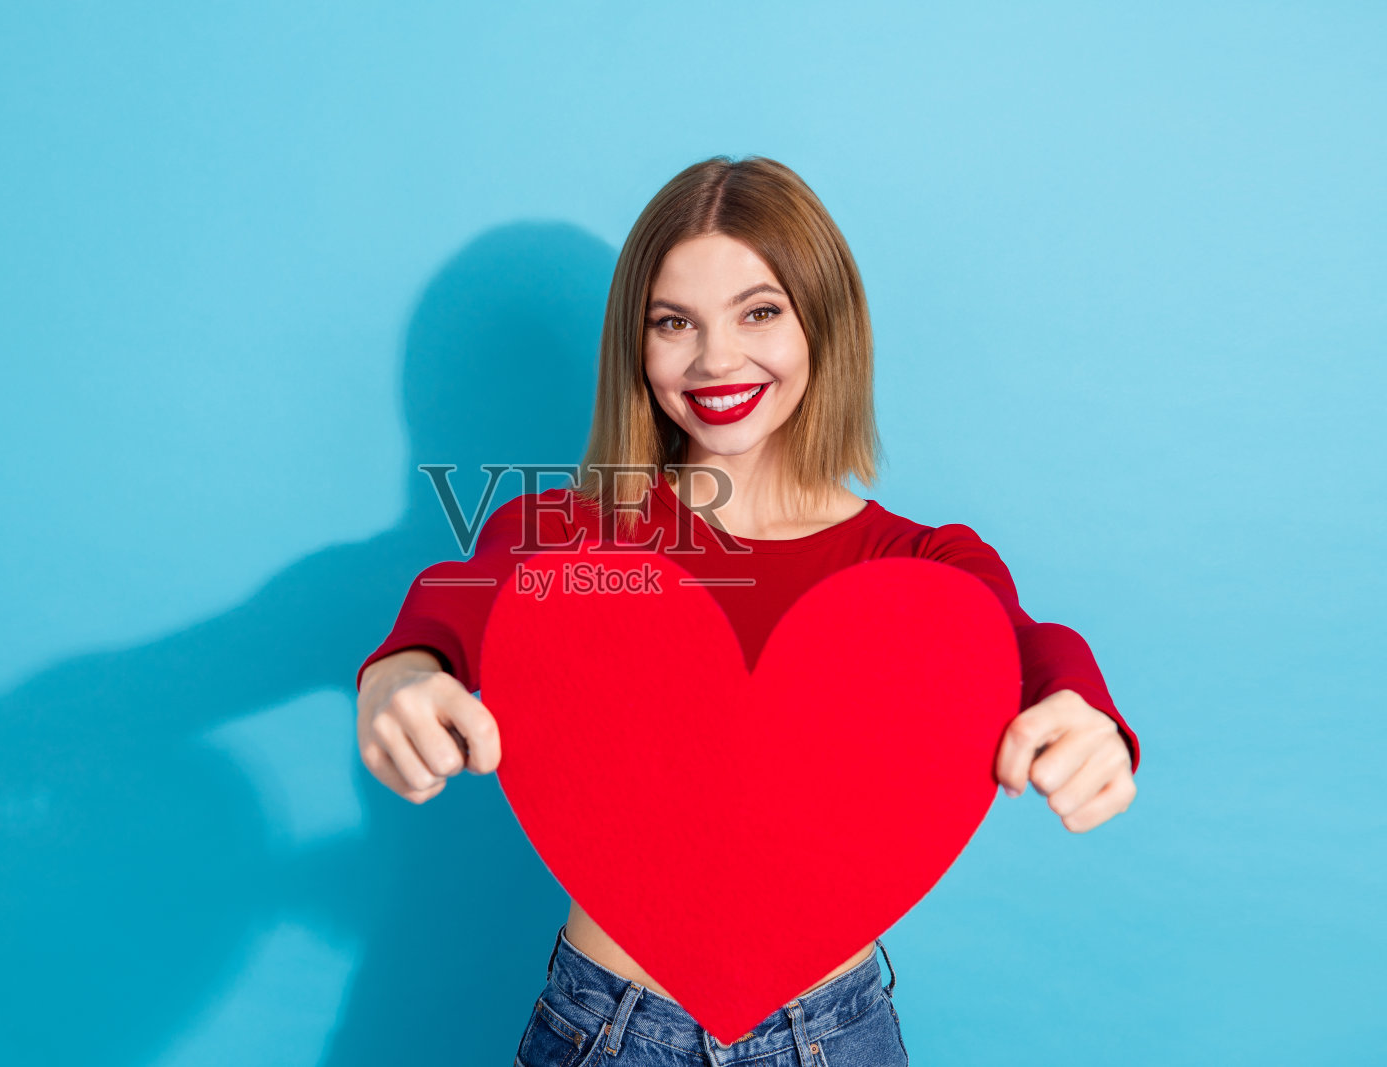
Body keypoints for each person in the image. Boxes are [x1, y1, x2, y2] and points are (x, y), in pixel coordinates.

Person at [353, 155, 1140, 1066]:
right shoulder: (569, 534)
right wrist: (403, 675)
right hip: (608, 1029)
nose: (717, 359)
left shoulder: (920, 564)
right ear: (634, 348)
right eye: (673, 323)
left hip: (834, 1035)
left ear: (822, 324)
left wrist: (1087, 719)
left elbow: (1028, 646)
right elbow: (457, 607)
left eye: (759, 312)